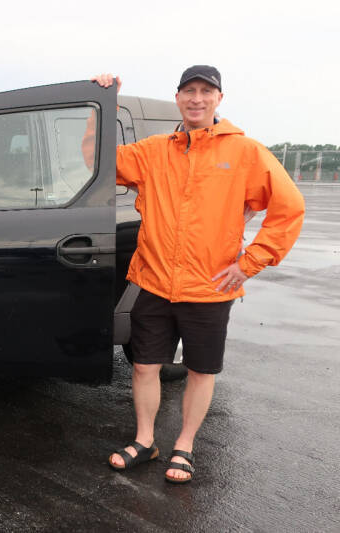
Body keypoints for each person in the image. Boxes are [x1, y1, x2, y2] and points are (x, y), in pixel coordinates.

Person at [91, 66, 305, 483]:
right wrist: (103, 103)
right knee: (144, 367)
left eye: (206, 91)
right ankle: (146, 441)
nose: (196, 98)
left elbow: (289, 209)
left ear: (218, 99)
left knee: (200, 371)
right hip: (153, 283)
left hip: (209, 288)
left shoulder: (246, 153)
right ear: (178, 98)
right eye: (189, 91)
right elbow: (95, 162)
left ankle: (184, 446)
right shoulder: (153, 151)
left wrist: (250, 262)